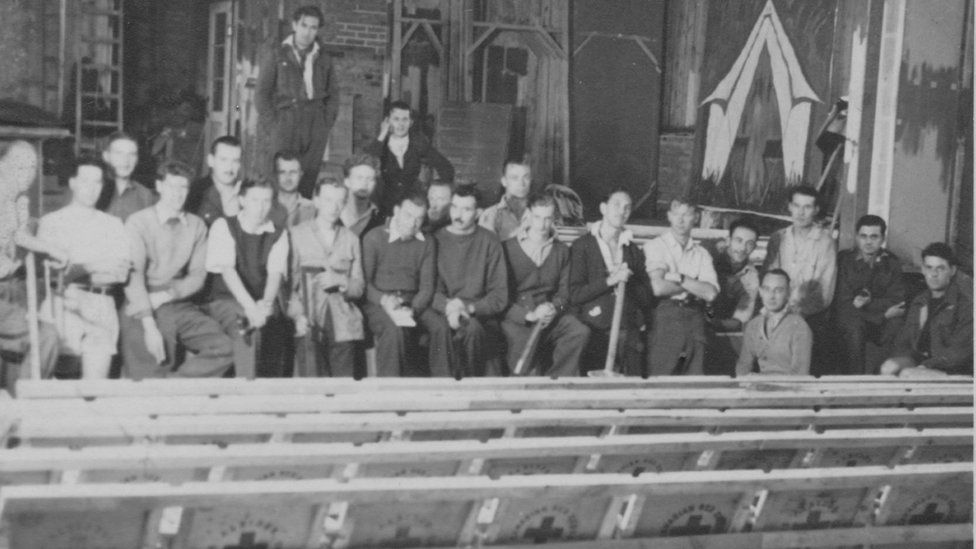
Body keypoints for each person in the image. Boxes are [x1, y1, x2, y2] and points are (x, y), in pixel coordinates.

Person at [121, 160, 233, 379]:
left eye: (184, 187)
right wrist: (148, 323)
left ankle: (173, 389)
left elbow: (198, 276)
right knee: (152, 365)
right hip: (142, 301)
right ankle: (156, 394)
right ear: (160, 186)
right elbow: (134, 277)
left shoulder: (197, 225)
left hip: (179, 302)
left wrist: (167, 296)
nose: (178, 193)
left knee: (224, 347)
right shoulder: (138, 222)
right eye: (172, 186)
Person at [38, 155, 131, 379]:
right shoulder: (51, 222)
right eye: (85, 181)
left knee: (95, 391)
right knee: (54, 388)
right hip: (63, 302)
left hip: (102, 305)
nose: (92, 189)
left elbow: (119, 274)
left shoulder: (113, 225)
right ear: (72, 183)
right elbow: (55, 274)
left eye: (97, 182)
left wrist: (77, 267)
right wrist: (96, 264)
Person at [204, 179, 290, 378]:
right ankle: (246, 394)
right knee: (245, 326)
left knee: (275, 325)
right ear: (242, 200)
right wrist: (252, 309)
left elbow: (275, 274)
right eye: (255, 200)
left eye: (266, 201)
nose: (260, 207)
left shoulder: (278, 234)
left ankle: (267, 399)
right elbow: (228, 271)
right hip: (226, 300)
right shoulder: (224, 225)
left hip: (260, 301)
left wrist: (266, 305)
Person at [255, 5, 339, 198]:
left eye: (313, 27)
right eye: (304, 25)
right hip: (285, 121)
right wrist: (274, 124)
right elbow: (261, 93)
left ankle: (302, 222)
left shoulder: (323, 56)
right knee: (281, 176)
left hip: (315, 124)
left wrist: (325, 123)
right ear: (294, 25)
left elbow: (334, 94)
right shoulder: (277, 53)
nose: (308, 32)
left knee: (307, 178)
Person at [501, 193, 589, 376]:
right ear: (528, 215)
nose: (542, 224)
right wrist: (528, 315)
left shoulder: (562, 250)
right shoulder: (507, 248)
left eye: (548, 218)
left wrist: (554, 308)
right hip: (518, 318)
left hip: (549, 316)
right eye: (537, 217)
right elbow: (501, 297)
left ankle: (557, 383)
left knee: (578, 331)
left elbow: (565, 295)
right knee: (526, 348)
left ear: (554, 218)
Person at [0, 141, 63, 388]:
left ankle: (14, 412)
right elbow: (13, 236)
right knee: (44, 336)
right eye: (19, 167)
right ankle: (26, 407)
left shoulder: (20, 199)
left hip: (11, 285)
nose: (27, 174)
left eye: (32, 167)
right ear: (2, 165)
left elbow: (19, 235)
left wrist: (47, 247)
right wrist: (51, 248)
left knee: (15, 358)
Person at [569, 189, 652, 376]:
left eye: (627, 207)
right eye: (616, 205)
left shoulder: (633, 251)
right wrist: (609, 281)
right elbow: (575, 294)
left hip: (627, 332)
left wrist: (628, 281)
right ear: (603, 208)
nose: (622, 211)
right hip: (595, 330)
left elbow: (646, 297)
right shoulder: (582, 246)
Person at [289, 180, 365, 377]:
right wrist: (298, 316)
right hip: (309, 317)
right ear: (316, 200)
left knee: (344, 383)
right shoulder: (297, 234)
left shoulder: (351, 239)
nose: (334, 207)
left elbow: (358, 287)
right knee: (313, 382)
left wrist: (341, 281)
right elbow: (288, 285)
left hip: (342, 321)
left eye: (340, 201)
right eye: (328, 200)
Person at [432, 185, 508, 377]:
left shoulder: (490, 242)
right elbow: (428, 288)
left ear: (478, 213)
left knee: (473, 329)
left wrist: (469, 308)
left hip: (479, 314)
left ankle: (469, 391)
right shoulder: (435, 240)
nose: (458, 214)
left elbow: (499, 295)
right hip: (444, 312)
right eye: (455, 207)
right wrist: (450, 307)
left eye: (466, 209)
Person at [361, 191, 437, 377]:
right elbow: (365, 283)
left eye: (419, 218)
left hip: (411, 301)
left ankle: (442, 389)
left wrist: (414, 309)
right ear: (396, 211)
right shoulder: (374, 237)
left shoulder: (427, 242)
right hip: (379, 302)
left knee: (440, 326)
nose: (413, 223)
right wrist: (383, 300)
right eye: (408, 215)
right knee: (394, 330)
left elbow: (427, 287)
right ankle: (391, 391)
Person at [763, 185, 837, 374]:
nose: (801, 213)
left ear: (816, 210)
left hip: (809, 316)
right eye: (797, 206)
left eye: (807, 207)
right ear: (789, 207)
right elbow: (770, 280)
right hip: (776, 311)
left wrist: (794, 312)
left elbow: (824, 293)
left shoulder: (825, 242)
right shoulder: (778, 238)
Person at [644, 198, 719, 376]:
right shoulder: (655, 246)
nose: (680, 220)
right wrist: (693, 284)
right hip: (665, 313)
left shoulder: (701, 254)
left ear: (696, 217)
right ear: (669, 216)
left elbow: (710, 293)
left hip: (695, 314)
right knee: (661, 375)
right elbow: (659, 288)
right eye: (676, 214)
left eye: (686, 215)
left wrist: (680, 278)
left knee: (695, 376)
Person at [880, 243, 972, 378]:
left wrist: (925, 366)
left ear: (952, 271)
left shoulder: (965, 305)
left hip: (951, 369)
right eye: (929, 267)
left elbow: (959, 353)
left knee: (908, 374)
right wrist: (900, 359)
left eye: (940, 268)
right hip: (920, 361)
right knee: (888, 368)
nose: (933, 274)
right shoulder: (920, 301)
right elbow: (904, 342)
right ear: (923, 269)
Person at [833, 215, 906, 374]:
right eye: (863, 236)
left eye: (874, 236)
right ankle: (855, 379)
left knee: (897, 325)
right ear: (856, 237)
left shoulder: (892, 263)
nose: (868, 242)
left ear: (882, 239)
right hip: (852, 319)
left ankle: (882, 377)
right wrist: (882, 314)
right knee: (854, 327)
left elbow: (897, 301)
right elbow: (844, 302)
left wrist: (870, 305)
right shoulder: (844, 261)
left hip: (879, 321)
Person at [365, 100, 455, 217]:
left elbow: (446, 168)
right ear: (387, 121)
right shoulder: (381, 143)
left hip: (413, 205)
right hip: (384, 206)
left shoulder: (418, 143)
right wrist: (382, 134)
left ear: (411, 122)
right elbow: (366, 164)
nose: (401, 124)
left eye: (405, 119)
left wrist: (433, 192)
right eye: (396, 119)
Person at [706, 218, 760, 374]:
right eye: (738, 240)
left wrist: (711, 323)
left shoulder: (751, 279)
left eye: (749, 243)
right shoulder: (709, 253)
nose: (743, 248)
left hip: (721, 326)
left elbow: (739, 321)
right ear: (728, 240)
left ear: (755, 247)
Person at [735, 269, 812, 376]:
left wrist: (761, 381)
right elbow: (743, 365)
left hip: (789, 390)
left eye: (778, 290)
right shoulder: (753, 325)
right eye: (767, 289)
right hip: (758, 388)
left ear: (788, 293)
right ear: (760, 292)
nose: (771, 296)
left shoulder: (799, 327)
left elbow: (800, 375)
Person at [98, 131, 156, 221]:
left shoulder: (145, 196)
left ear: (137, 159)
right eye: (119, 153)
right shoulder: (93, 189)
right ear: (106, 156)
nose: (125, 160)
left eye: (132, 154)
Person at [187, 136, 244, 227]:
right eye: (223, 160)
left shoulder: (247, 193)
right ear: (211, 160)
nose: (229, 166)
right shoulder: (195, 192)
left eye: (235, 161)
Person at [480, 157, 532, 240]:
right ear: (504, 181)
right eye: (515, 178)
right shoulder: (491, 215)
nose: (522, 183)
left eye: (526, 177)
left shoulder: (539, 212)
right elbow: (487, 250)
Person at [339, 154, 385, 238]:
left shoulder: (380, 220)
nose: (364, 183)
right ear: (347, 181)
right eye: (359, 178)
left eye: (369, 179)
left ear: (375, 184)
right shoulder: (333, 212)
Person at [270, 150, 317, 228]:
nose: (288, 178)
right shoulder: (265, 206)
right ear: (275, 175)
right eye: (282, 172)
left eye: (293, 172)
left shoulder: (313, 209)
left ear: (301, 174)